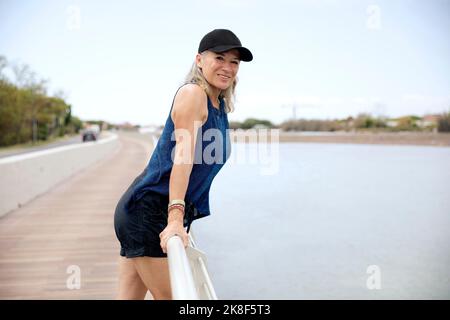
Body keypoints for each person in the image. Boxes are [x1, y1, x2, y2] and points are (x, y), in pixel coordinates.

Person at [113, 29, 253, 300]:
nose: (227, 67)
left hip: (146, 209)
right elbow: (183, 157)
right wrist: (175, 217)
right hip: (148, 212)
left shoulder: (219, 105)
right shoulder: (193, 94)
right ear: (199, 60)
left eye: (234, 62)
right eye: (220, 58)